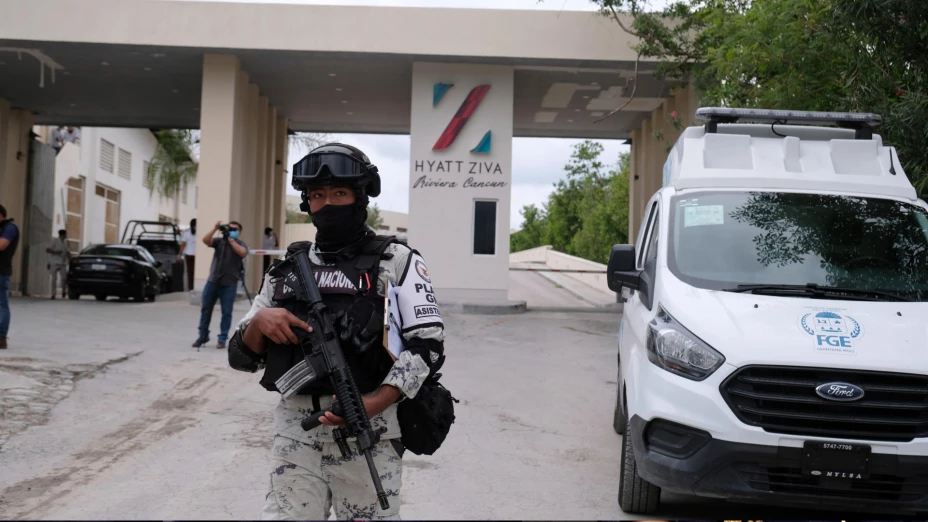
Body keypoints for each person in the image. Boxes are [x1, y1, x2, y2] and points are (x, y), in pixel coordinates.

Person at [226, 143, 446, 520]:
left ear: (360, 197)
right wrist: (259, 324)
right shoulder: (285, 270)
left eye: (339, 193)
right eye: (318, 195)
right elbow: (240, 357)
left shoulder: (396, 261)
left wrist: (376, 401)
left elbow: (427, 347)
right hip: (297, 434)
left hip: (370, 431)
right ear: (307, 203)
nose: (327, 204)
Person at [193, 220, 248, 349]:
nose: (231, 231)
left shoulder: (239, 243)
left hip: (229, 284)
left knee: (226, 312)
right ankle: (202, 336)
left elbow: (243, 253)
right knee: (205, 310)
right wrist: (215, 228)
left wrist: (231, 240)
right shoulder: (219, 242)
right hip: (213, 281)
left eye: (234, 229)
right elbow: (205, 240)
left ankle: (222, 339)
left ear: (239, 232)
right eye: (230, 228)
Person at [0, 204, 21, 349]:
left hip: (1, 272)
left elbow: (2, 245)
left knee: (1, 305)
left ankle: (1, 338)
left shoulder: (10, 228)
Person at [45, 229, 70, 299]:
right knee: (54, 279)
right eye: (65, 235)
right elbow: (47, 249)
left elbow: (68, 252)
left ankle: (64, 291)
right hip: (54, 262)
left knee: (64, 278)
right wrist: (55, 252)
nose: (65, 236)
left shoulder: (66, 242)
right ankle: (53, 294)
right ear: (62, 235)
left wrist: (70, 260)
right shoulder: (54, 240)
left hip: (63, 263)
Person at [179, 219, 197, 291]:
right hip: (196, 255)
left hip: (188, 254)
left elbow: (183, 245)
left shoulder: (186, 233)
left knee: (188, 272)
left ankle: (189, 287)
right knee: (195, 272)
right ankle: (193, 286)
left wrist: (179, 254)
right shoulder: (200, 231)